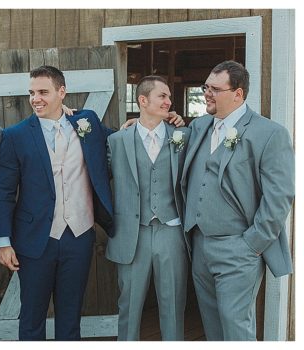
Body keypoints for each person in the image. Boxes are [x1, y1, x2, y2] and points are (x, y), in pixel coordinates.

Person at [0, 65, 114, 340]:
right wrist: (3, 241)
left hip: (79, 236)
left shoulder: (87, 123)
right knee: (32, 318)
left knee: (70, 318)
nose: (36, 98)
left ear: (62, 92)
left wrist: (141, 122)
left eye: (43, 92)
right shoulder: (15, 136)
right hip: (35, 241)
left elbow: (117, 138)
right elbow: (2, 192)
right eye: (32, 93)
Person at [182, 60, 293, 340]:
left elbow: (279, 197)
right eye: (205, 87)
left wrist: (253, 243)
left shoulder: (269, 133)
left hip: (239, 248)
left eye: (215, 89)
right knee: (212, 326)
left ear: (238, 94)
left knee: (236, 328)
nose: (206, 93)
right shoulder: (199, 127)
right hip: (200, 245)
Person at [106, 75, 188, 340]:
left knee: (173, 304)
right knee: (128, 306)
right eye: (162, 96)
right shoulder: (117, 140)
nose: (169, 101)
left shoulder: (183, 137)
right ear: (143, 100)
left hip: (171, 230)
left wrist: (180, 121)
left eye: (169, 96)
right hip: (132, 233)